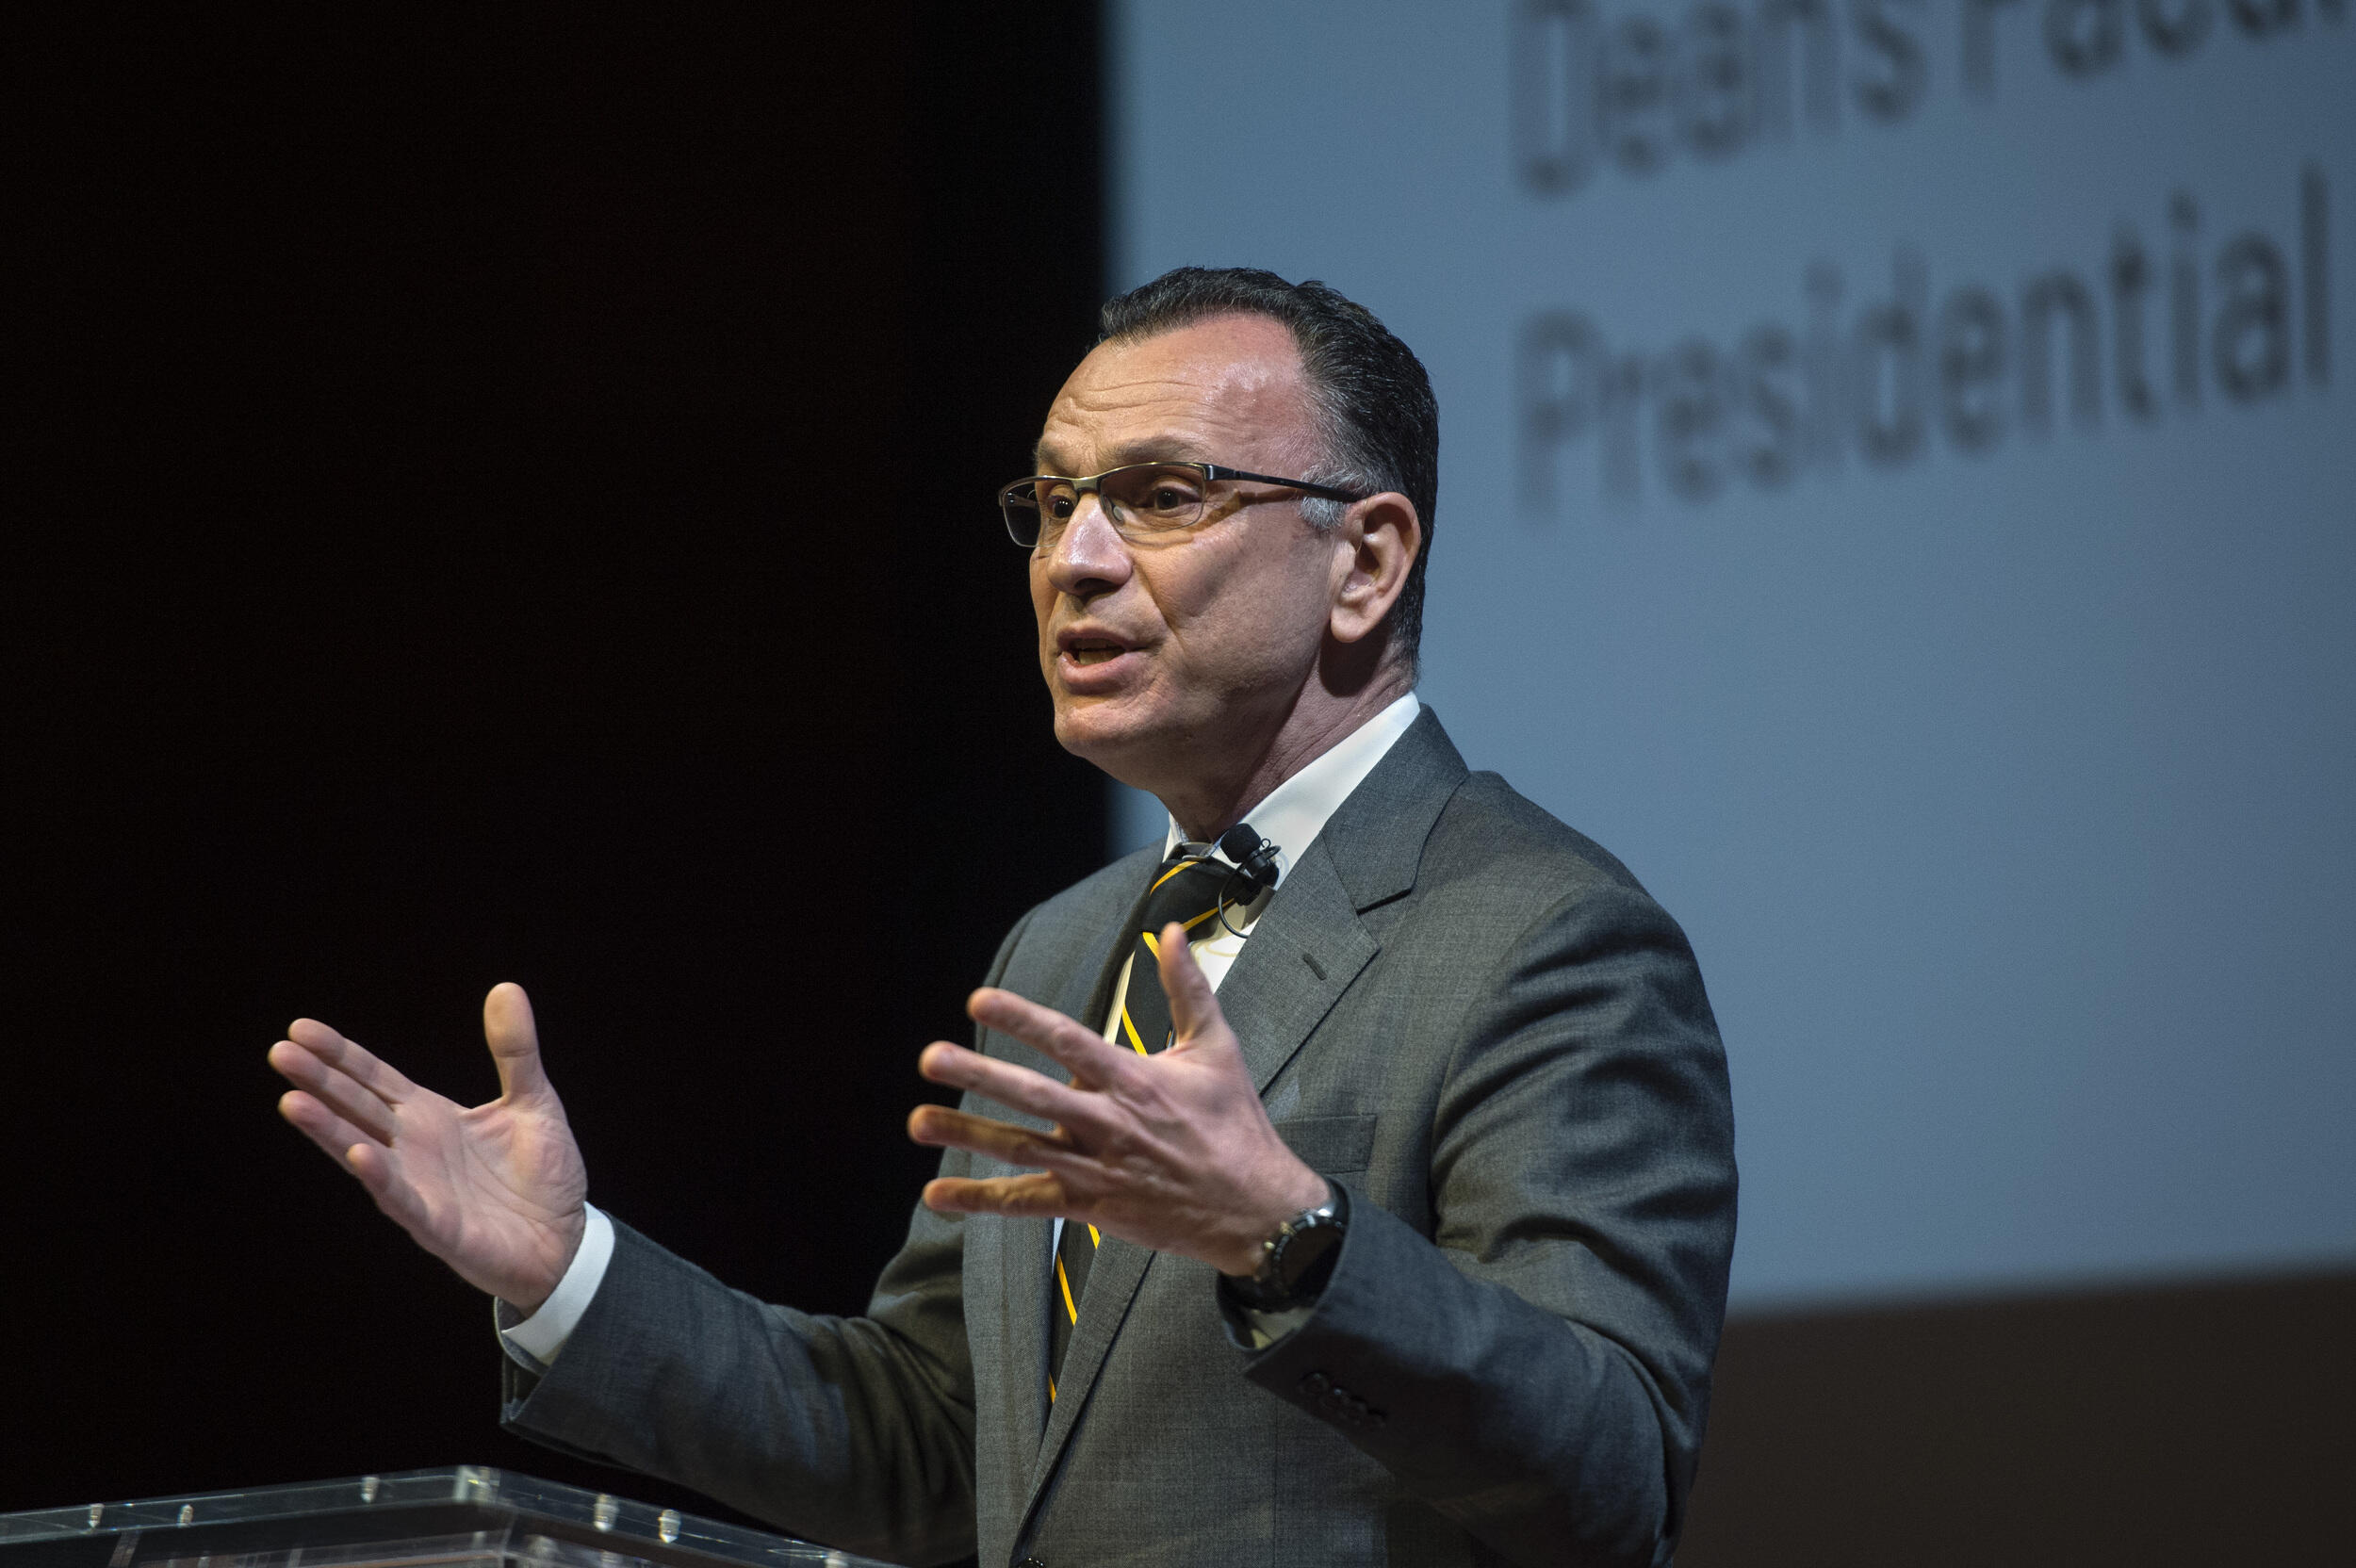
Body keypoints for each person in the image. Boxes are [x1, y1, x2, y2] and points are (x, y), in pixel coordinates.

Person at [269, 268, 1737, 1568]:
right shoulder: (1061, 944)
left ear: (1366, 559)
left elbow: (1607, 1484)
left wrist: (1291, 1237)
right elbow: (930, 1444)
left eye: (1164, 497)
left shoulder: (1549, 940)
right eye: (1053, 502)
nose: (1075, 559)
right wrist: (571, 1275)